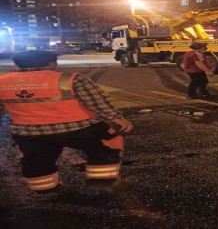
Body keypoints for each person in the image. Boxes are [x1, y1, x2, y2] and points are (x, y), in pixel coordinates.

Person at [0, 50, 133, 201]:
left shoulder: (3, 82)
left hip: (28, 132)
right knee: (107, 145)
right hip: (79, 129)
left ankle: (46, 190)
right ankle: (103, 183)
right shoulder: (71, 80)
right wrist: (118, 120)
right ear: (51, 63)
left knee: (36, 159)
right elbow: (98, 103)